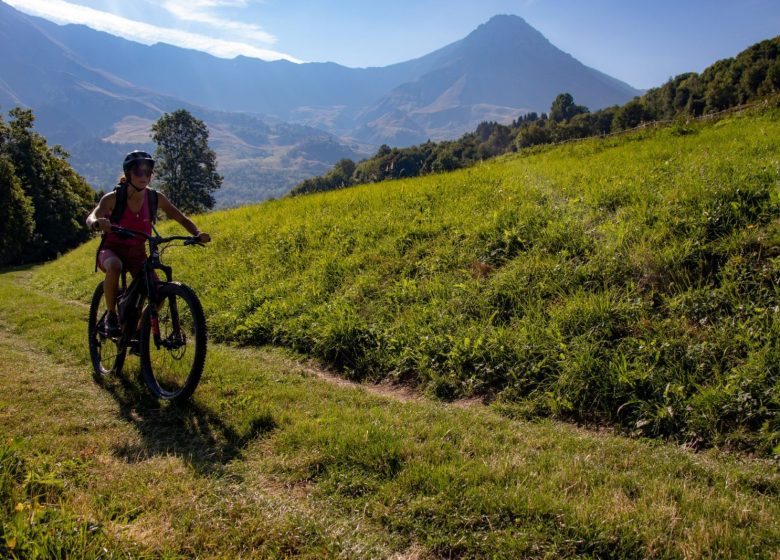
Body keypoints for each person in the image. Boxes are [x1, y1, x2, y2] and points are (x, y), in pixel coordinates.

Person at [86, 150, 211, 336]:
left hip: (137, 253)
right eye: (138, 172)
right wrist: (97, 222)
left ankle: (139, 330)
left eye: (148, 172)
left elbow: (181, 218)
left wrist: (197, 233)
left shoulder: (155, 198)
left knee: (158, 294)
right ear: (128, 174)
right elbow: (93, 215)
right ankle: (111, 316)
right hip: (111, 250)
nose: (143, 176)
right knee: (115, 266)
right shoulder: (113, 198)